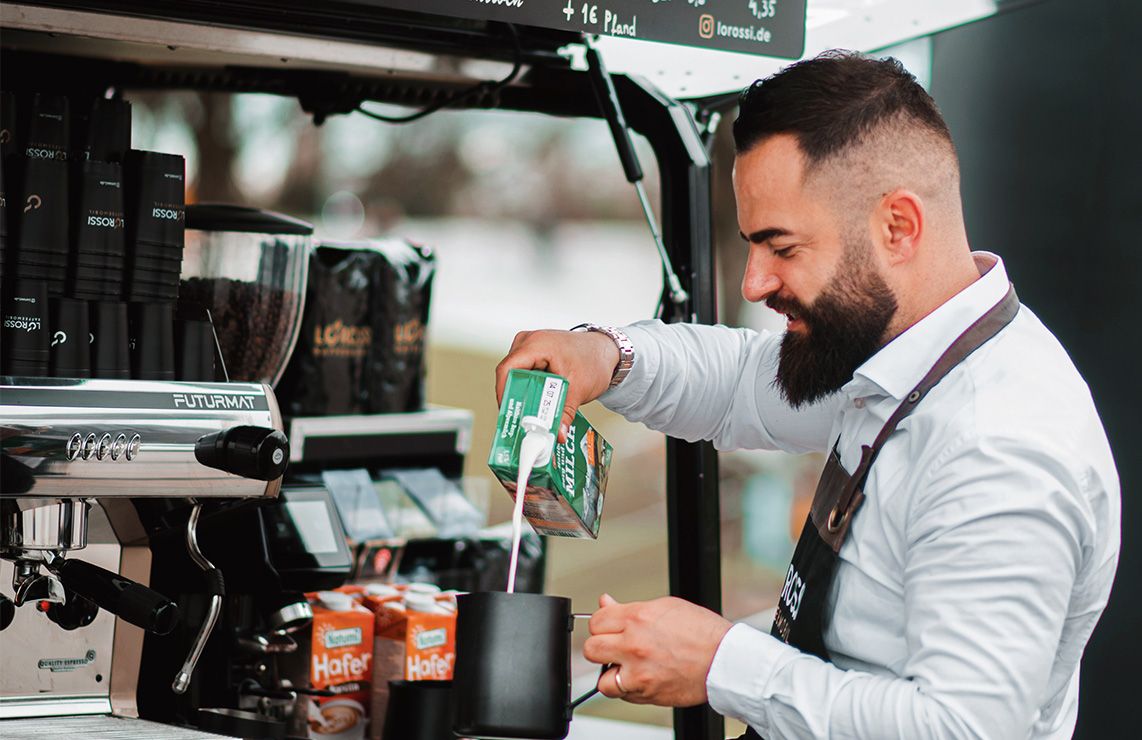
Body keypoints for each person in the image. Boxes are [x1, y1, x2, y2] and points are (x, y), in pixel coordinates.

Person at [494, 51, 1120, 739]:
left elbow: (963, 729)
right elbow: (741, 380)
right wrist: (606, 356)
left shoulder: (997, 448)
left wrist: (721, 664)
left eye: (783, 248)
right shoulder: (899, 352)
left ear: (898, 227)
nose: (753, 283)